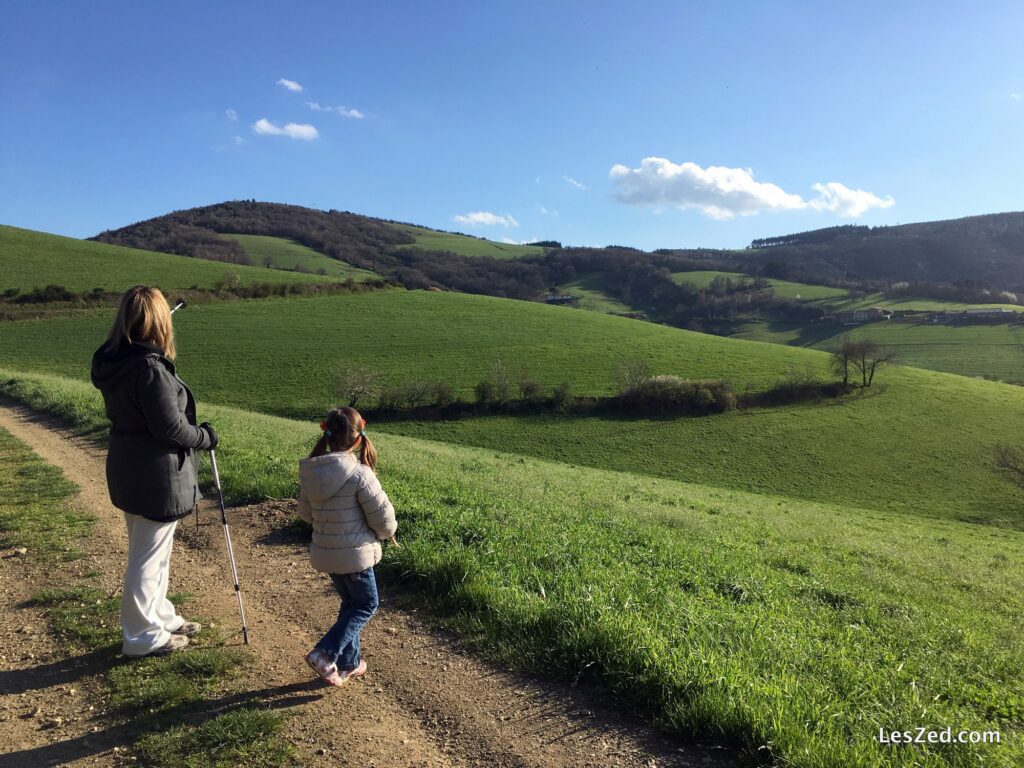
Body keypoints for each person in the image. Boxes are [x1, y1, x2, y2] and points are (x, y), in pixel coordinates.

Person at [91, 286, 217, 657]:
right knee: (147, 556)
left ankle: (159, 615)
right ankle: (142, 636)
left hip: (129, 465)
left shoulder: (115, 359)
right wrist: (205, 437)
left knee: (154, 551)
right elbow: (171, 429)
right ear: (160, 320)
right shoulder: (149, 370)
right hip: (155, 474)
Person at [297, 406, 397, 687]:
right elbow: (384, 519)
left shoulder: (312, 471)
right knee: (366, 604)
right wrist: (385, 533)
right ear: (357, 439)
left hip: (326, 553)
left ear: (328, 436)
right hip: (355, 556)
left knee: (351, 604)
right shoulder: (360, 474)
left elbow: (306, 514)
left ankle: (349, 664)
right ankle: (324, 653)